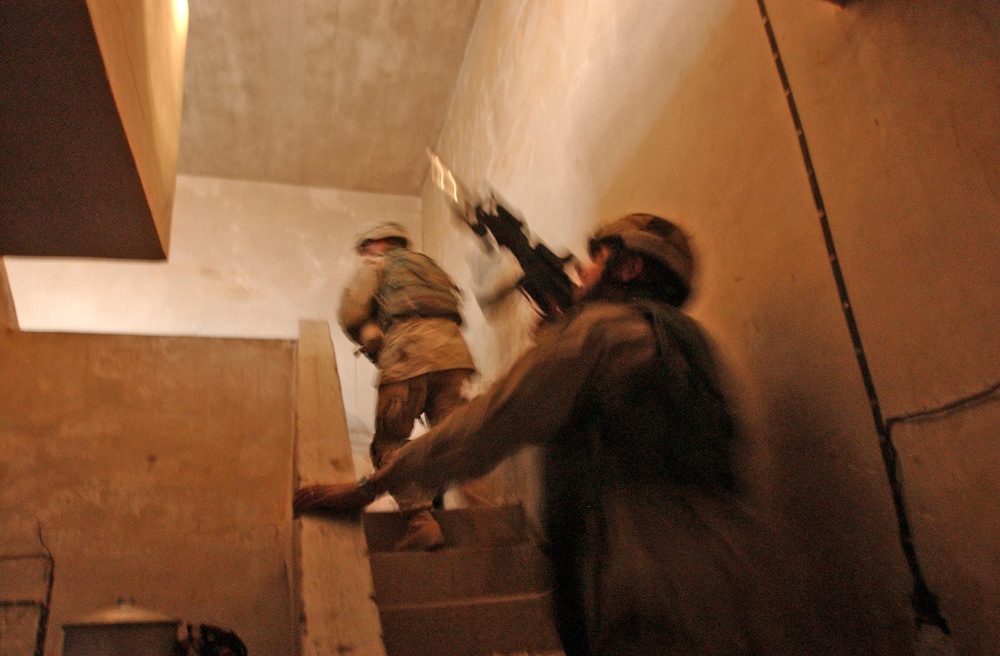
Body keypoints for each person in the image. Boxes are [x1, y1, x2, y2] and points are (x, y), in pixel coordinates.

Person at [300, 214, 826, 654]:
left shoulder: (603, 333)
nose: (582, 267)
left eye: (597, 258)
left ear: (630, 265)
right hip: (735, 585)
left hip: (645, 593)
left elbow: (492, 423)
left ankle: (423, 520)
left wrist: (372, 487)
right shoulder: (689, 341)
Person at [336, 220, 476, 551]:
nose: (364, 255)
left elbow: (350, 312)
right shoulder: (430, 267)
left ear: (378, 243)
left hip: (408, 354)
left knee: (389, 443)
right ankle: (481, 512)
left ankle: (420, 521)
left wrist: (367, 333)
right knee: (455, 438)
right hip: (454, 355)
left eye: (365, 248)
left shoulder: (379, 265)